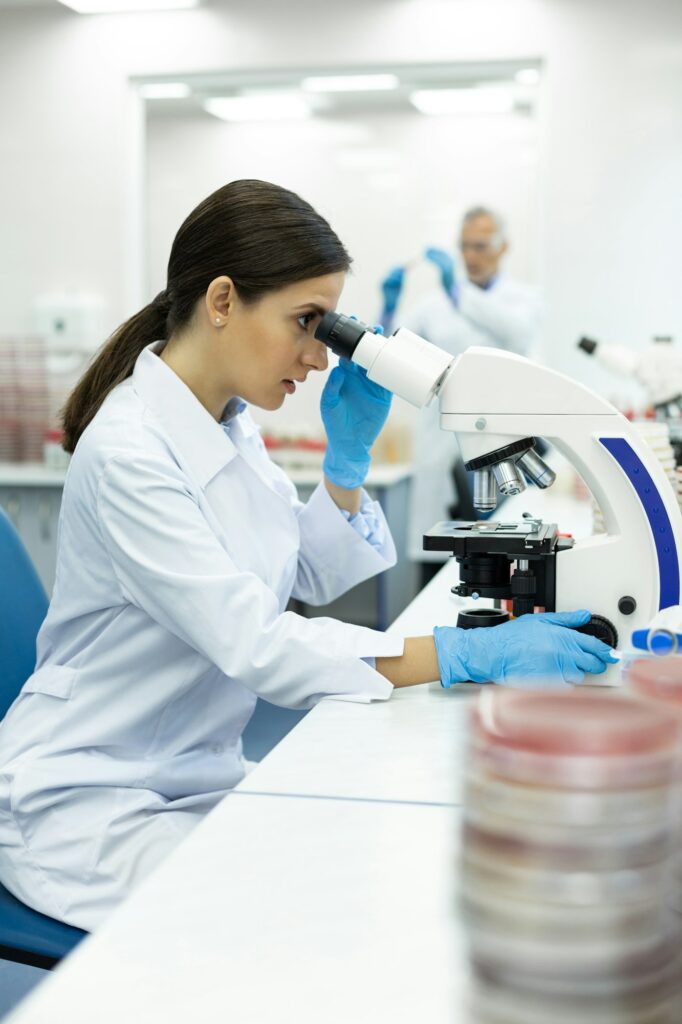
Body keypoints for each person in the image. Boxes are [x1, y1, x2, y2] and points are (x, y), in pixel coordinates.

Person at [0, 181, 614, 931]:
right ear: (222, 301)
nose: (320, 356)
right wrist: (463, 651)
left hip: (190, 776)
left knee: (363, 863)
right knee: (302, 927)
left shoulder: (227, 424)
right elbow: (254, 641)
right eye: (306, 322)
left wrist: (344, 468)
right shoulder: (130, 450)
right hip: (91, 801)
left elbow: (304, 574)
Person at [380, 207, 542, 584]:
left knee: (505, 549)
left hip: (501, 441)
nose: (471, 256)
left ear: (504, 248)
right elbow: (391, 354)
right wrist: (387, 308)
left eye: (481, 246)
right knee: (438, 554)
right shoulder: (430, 307)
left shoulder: (524, 299)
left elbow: (518, 334)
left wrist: (459, 294)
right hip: (439, 443)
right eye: (465, 247)